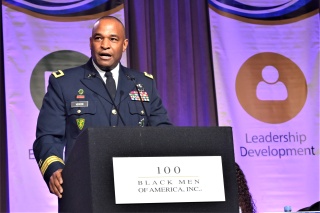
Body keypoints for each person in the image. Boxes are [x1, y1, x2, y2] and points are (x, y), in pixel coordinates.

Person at [33, 16, 172, 199]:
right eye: (99, 38)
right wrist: (54, 169)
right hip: (84, 189)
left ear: (124, 45)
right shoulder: (65, 83)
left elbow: (163, 132)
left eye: (113, 39)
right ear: (91, 42)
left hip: (137, 190)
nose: (105, 45)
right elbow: (48, 136)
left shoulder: (143, 84)